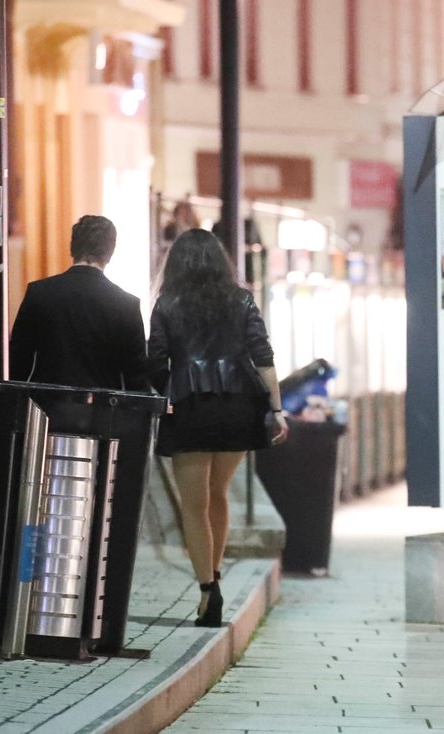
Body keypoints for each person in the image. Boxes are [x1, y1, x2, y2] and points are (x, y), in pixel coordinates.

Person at [148, 228, 289, 627]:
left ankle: (208, 589)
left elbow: (156, 361)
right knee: (219, 494)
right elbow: (263, 357)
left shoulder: (167, 304)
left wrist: (165, 394)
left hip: (189, 408)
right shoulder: (242, 299)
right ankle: (217, 573)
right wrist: (276, 410)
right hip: (236, 408)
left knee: (193, 506)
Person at [9, 214, 148, 391]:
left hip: (47, 408)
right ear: (110, 253)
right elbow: (136, 379)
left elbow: (18, 363)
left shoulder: (39, 293)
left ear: (72, 248)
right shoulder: (127, 305)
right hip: (102, 411)